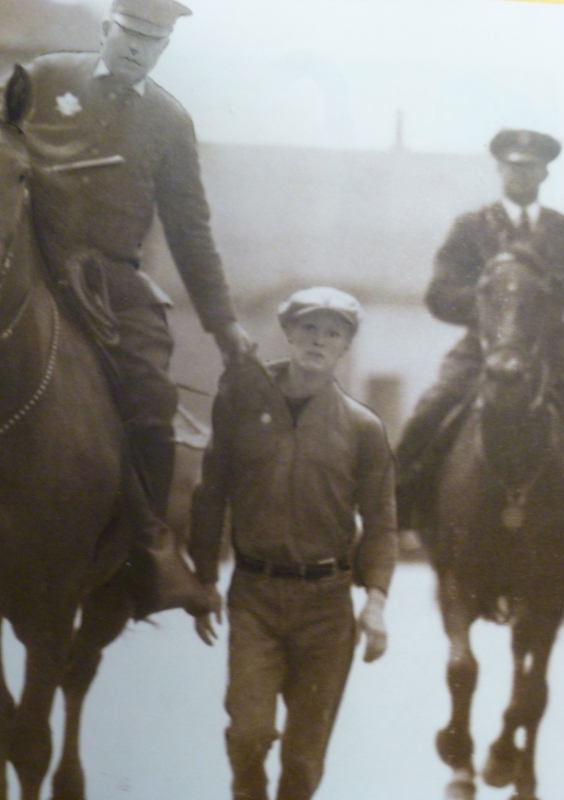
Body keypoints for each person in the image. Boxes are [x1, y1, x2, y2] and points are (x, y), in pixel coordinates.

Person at [16, 0, 253, 616]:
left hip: (111, 281)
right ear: (106, 31)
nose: (137, 50)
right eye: (128, 36)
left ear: (163, 49)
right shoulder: (42, 79)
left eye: (152, 43)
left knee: (152, 398)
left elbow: (190, 231)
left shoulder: (170, 122)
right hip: (27, 258)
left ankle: (147, 546)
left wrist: (223, 323)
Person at [189, 286, 398, 800]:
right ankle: (248, 787)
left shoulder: (363, 428)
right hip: (255, 597)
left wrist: (375, 602)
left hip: (327, 608)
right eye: (309, 328)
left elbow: (381, 524)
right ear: (288, 332)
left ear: (345, 347)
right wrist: (204, 581)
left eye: (333, 333)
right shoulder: (240, 402)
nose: (318, 341)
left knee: (304, 763)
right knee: (249, 732)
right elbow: (210, 493)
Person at [395, 128, 564, 528]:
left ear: (544, 174)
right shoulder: (472, 227)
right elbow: (438, 294)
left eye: (531, 167)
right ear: (499, 169)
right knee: (428, 415)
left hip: (553, 354)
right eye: (512, 166)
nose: (521, 175)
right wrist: (497, 306)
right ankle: (396, 518)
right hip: (483, 348)